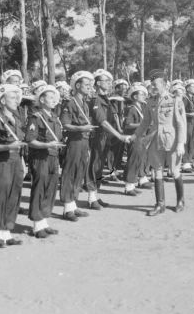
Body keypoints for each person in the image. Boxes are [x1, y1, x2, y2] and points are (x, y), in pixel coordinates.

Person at [130, 69, 187, 216]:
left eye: (156, 84)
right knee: (157, 171)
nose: (153, 87)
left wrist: (181, 143)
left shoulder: (175, 100)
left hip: (172, 140)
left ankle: (180, 200)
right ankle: (160, 204)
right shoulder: (151, 101)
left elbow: (181, 123)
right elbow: (145, 122)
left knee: (174, 171)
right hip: (155, 139)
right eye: (152, 84)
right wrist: (136, 136)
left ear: (165, 84)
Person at [0, 83, 27, 248]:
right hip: (1, 162)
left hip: (16, 161)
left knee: (14, 197)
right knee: (0, 196)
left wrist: (22, 161)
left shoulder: (17, 119)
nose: (16, 100)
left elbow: (20, 143)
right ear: (2, 100)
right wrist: (9, 147)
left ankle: (7, 232)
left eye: (17, 97)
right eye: (12, 97)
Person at [25, 85, 66, 238]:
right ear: (41, 99)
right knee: (40, 188)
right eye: (50, 97)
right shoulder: (36, 117)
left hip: (53, 156)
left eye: (55, 97)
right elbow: (29, 140)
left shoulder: (55, 117)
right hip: (41, 157)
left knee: (50, 188)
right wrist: (46, 145)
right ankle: (36, 224)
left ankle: (44, 222)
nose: (54, 100)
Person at [85, 69, 129, 210]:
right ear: (98, 83)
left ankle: (95, 195)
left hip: (104, 138)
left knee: (99, 167)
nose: (110, 83)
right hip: (96, 137)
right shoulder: (96, 99)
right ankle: (91, 198)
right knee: (93, 166)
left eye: (110, 81)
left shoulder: (105, 99)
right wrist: (119, 135)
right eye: (107, 81)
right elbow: (102, 121)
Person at [59, 71, 96, 220]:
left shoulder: (84, 103)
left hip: (84, 141)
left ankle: (73, 204)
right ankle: (67, 208)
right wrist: (81, 128)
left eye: (90, 85)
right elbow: (65, 124)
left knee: (79, 172)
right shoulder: (70, 102)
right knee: (70, 173)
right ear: (78, 85)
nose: (89, 87)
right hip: (74, 142)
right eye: (86, 85)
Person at [122, 82, 151, 195]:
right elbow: (128, 125)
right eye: (142, 94)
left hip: (142, 137)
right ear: (134, 96)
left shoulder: (141, 107)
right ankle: (128, 186)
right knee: (133, 160)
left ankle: (134, 183)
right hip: (135, 137)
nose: (144, 96)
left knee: (140, 159)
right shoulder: (132, 109)